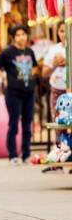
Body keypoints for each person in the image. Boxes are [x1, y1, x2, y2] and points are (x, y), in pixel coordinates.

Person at [0, 25, 37, 166]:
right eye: (18, 35)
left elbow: (34, 66)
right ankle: (12, 155)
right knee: (14, 124)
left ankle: (26, 154)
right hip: (13, 93)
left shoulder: (29, 51)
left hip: (29, 92)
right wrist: (2, 75)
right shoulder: (8, 52)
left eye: (23, 34)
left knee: (27, 125)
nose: (22, 37)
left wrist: (32, 74)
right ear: (14, 37)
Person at [42, 21, 67, 173]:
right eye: (62, 31)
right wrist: (55, 65)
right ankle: (58, 159)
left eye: (67, 30)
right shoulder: (53, 50)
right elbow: (44, 72)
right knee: (59, 125)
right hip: (57, 91)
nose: (64, 34)